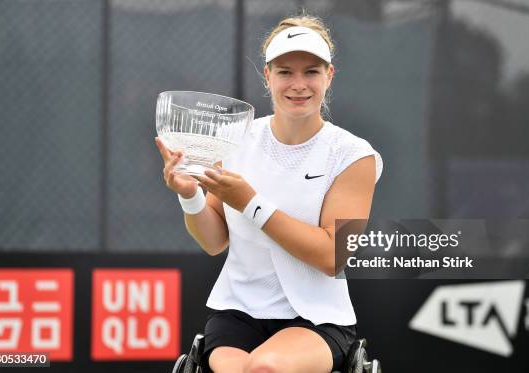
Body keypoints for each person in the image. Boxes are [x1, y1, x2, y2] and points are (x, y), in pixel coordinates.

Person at [155, 14, 382, 373]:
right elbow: (214, 241)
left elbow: (331, 256)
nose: (298, 84)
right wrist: (190, 197)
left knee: (265, 368)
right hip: (238, 314)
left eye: (311, 71)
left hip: (318, 319)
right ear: (268, 76)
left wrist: (250, 202)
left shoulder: (353, 155)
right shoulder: (236, 140)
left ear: (329, 76)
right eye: (285, 72)